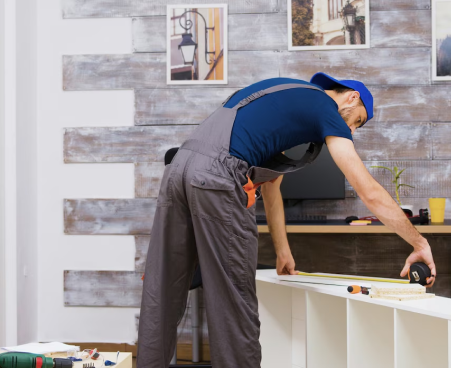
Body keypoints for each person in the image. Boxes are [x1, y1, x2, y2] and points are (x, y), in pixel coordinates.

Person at [136, 73, 437, 368]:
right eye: (357, 120)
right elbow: (367, 190)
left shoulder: (289, 97)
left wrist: (283, 251)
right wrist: (419, 242)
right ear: (352, 97)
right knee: (234, 302)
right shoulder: (325, 108)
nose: (352, 130)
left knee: (163, 285)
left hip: (178, 170)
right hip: (216, 177)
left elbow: (272, 187)